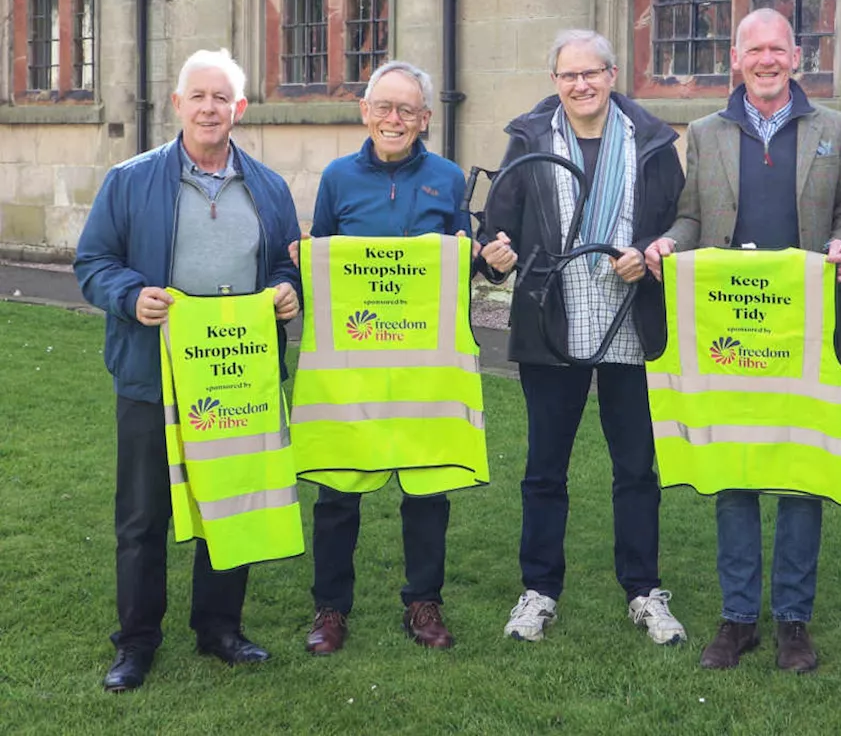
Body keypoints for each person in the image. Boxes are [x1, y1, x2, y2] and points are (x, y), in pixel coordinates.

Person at [645, 7, 841, 673]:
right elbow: (691, 216)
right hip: (728, 333)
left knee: (802, 475)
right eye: (755, 51)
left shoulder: (836, 128)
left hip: (805, 332)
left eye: (778, 49)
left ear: (796, 57)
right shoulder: (707, 132)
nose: (767, 60)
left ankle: (793, 623)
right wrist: (666, 244)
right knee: (735, 470)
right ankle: (738, 618)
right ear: (736, 61)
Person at [75, 49, 302, 692]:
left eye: (221, 97)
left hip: (238, 377)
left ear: (240, 109)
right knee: (144, 517)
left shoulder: (269, 187)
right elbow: (93, 261)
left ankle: (219, 630)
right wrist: (129, 295)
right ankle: (137, 642)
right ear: (177, 104)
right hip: (154, 375)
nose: (209, 107)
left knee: (230, 506)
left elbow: (286, 267)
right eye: (197, 96)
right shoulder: (130, 180)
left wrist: (289, 291)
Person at [295, 61, 514, 656]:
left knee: (427, 489)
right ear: (365, 112)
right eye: (384, 108)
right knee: (337, 490)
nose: (395, 120)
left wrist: (489, 260)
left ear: (424, 119)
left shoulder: (446, 178)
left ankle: (423, 603)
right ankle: (331, 608)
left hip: (425, 366)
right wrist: (302, 262)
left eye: (407, 111)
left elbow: (458, 262)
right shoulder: (339, 177)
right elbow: (321, 265)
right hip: (354, 365)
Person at [481, 29, 687, 645]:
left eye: (591, 73)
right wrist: (495, 253)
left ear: (612, 73)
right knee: (545, 466)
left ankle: (644, 590)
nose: (581, 84)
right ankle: (539, 590)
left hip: (631, 317)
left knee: (635, 467)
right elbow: (498, 230)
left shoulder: (649, 142)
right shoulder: (529, 139)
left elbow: (681, 220)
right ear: (555, 82)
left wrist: (651, 252)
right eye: (568, 76)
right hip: (553, 317)